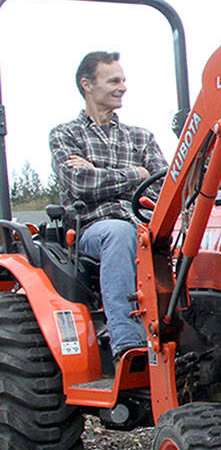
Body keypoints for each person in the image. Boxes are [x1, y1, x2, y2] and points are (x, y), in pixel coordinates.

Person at [50, 51, 167, 367]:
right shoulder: (66, 134)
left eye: (124, 80)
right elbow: (81, 183)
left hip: (145, 222)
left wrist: (100, 170)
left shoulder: (140, 136)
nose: (123, 86)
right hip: (94, 229)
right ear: (87, 84)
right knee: (119, 233)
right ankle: (128, 343)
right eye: (114, 80)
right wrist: (136, 174)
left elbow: (163, 185)